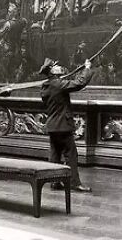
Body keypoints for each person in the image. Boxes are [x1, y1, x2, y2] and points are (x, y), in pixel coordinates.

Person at [39, 58, 94, 192]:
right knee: (71, 155)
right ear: (52, 70)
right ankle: (75, 183)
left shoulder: (47, 86)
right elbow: (78, 83)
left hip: (53, 126)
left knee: (55, 155)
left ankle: (55, 181)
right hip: (62, 125)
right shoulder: (57, 84)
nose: (60, 67)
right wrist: (87, 68)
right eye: (56, 66)